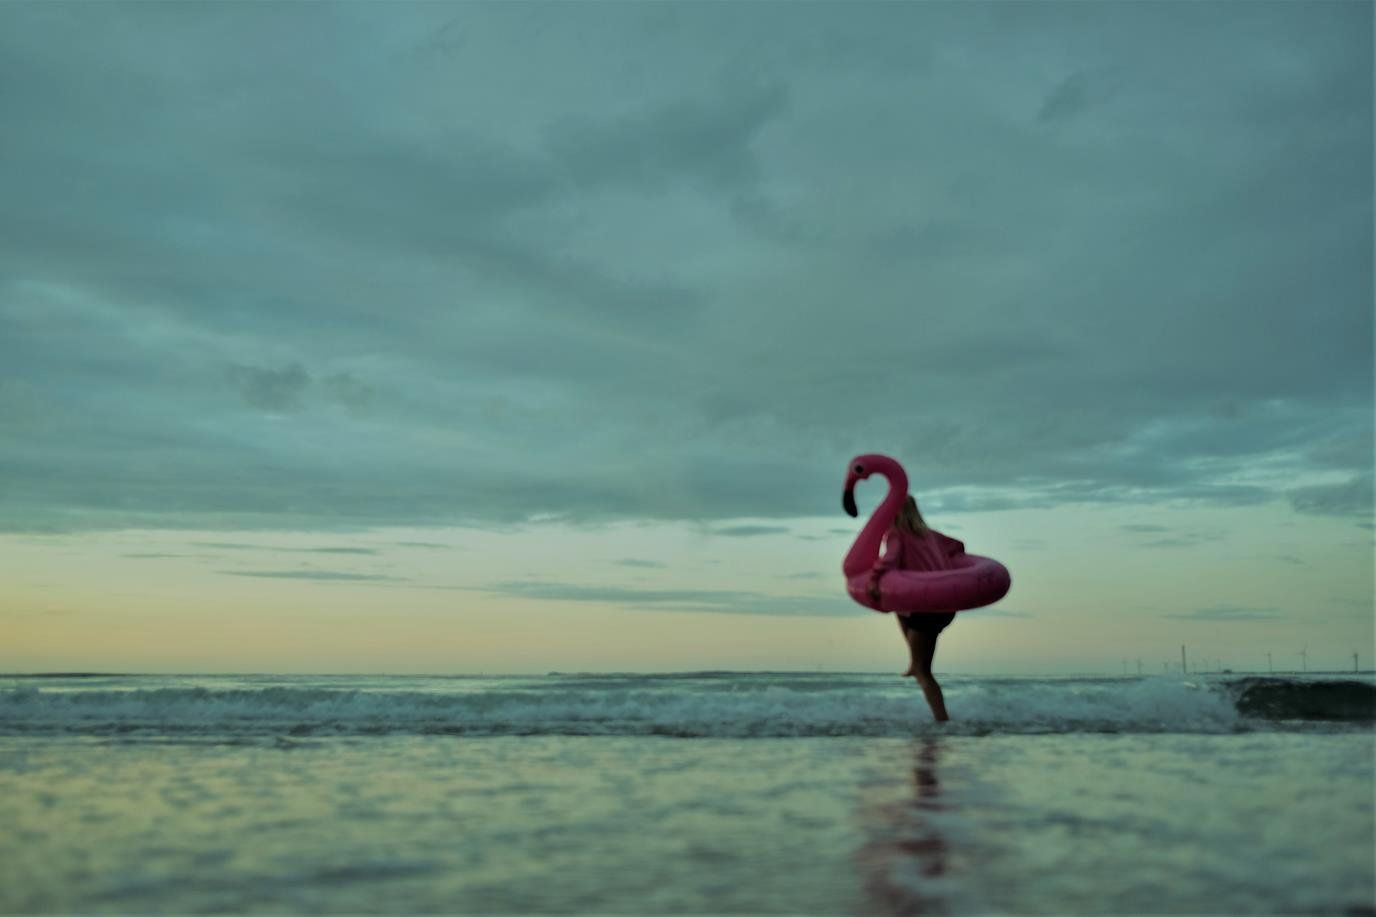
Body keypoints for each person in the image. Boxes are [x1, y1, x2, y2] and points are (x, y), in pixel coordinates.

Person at [866, 496, 964, 722]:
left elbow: (889, 559)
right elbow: (958, 545)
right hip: (945, 607)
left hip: (923, 609)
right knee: (896, 607)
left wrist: (874, 579)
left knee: (924, 672)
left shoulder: (895, 535)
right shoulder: (933, 536)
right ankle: (914, 662)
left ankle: (942, 721)